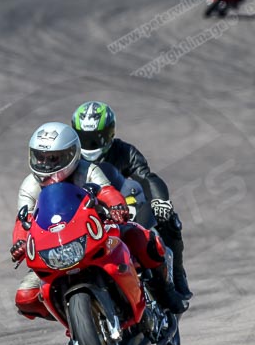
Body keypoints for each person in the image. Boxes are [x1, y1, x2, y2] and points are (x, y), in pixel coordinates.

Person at [11, 122, 188, 325]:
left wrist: (117, 207)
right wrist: (20, 243)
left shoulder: (86, 170)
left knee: (145, 241)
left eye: (53, 158)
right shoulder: (29, 186)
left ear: (71, 155)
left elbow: (107, 191)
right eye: (39, 157)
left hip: (96, 232)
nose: (45, 164)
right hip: (57, 249)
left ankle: (166, 293)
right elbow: (24, 221)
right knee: (25, 296)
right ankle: (77, 319)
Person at [70, 101, 193, 301]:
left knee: (169, 220)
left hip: (122, 210)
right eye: (83, 138)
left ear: (109, 134)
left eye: (95, 138)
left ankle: (177, 276)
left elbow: (146, 178)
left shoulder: (125, 152)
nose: (89, 144)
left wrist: (160, 202)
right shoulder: (71, 157)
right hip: (85, 215)